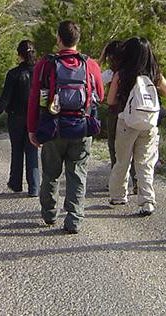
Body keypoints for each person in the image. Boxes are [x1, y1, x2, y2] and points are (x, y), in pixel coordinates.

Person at [27, 21, 104, 234]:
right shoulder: (90, 65)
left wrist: (32, 129)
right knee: (77, 174)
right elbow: (101, 95)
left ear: (58, 38)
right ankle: (74, 219)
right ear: (77, 40)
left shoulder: (46, 64)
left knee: (51, 174)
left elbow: (34, 98)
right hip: (81, 128)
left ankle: (50, 214)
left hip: (53, 128)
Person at [107, 37, 166, 216]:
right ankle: (147, 201)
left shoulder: (121, 74)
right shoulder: (154, 74)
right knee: (145, 163)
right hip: (149, 124)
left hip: (126, 122)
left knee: (122, 160)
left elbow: (110, 100)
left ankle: (118, 195)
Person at [0, 40, 40, 197]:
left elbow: (4, 99)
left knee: (17, 150)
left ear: (19, 55)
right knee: (32, 151)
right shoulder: (40, 72)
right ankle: (34, 187)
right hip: (35, 118)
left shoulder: (13, 74)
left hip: (16, 117)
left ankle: (15, 183)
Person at [100, 40, 137, 193]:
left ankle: (117, 182)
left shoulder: (113, 74)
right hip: (134, 112)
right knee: (135, 148)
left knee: (115, 148)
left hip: (116, 112)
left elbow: (99, 85)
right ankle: (136, 182)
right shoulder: (133, 70)